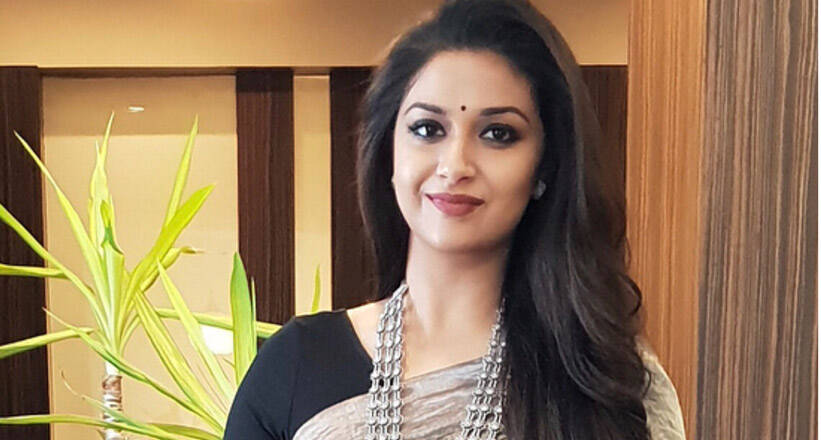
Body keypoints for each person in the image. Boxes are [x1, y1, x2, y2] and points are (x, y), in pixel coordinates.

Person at [224, 0, 686, 439]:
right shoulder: (295, 365)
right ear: (389, 150)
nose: (455, 164)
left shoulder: (609, 384)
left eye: (498, 133)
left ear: (545, 167)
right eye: (428, 129)